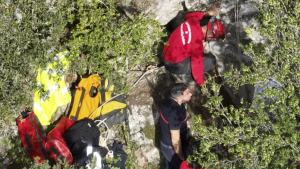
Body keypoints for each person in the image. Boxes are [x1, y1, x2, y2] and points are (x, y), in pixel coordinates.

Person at [162, 2, 225, 87]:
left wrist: (208, 13)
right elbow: (197, 67)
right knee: (211, 60)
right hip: (172, 64)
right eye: (213, 38)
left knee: (194, 54)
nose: (212, 40)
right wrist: (202, 85)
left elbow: (187, 16)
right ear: (209, 34)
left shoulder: (193, 21)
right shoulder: (197, 45)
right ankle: (186, 76)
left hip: (165, 51)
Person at [160, 83, 192, 169]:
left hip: (168, 143)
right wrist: (181, 156)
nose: (190, 94)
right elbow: (175, 139)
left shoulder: (170, 97)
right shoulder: (173, 115)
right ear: (178, 99)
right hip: (172, 148)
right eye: (187, 93)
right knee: (180, 165)